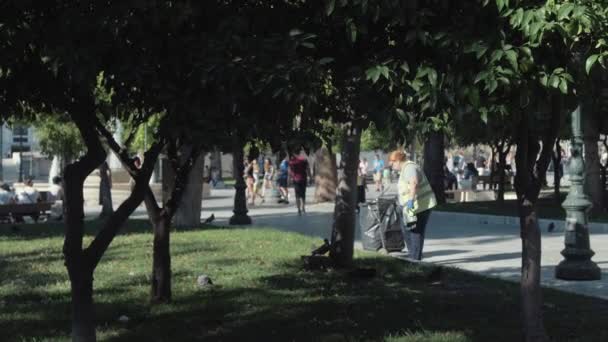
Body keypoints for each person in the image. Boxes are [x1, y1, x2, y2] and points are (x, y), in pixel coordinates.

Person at [390, 150, 437, 261]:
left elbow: (414, 182)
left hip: (419, 206)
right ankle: (413, 256)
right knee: (406, 229)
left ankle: (415, 259)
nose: (391, 166)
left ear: (397, 160)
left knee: (415, 231)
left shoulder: (409, 167)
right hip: (411, 207)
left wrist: (410, 201)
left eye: (392, 163)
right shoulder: (404, 169)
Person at [289, 150, 311, 215]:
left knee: (297, 195)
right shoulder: (304, 160)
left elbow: (290, 171)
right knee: (303, 194)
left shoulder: (292, 162)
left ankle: (299, 209)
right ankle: (303, 207)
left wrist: (290, 178)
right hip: (303, 178)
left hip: (296, 180)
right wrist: (310, 176)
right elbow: (308, 168)